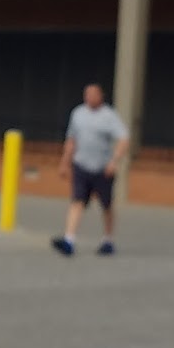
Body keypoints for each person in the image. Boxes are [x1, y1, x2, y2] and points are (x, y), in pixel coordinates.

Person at [52, 83, 129, 257]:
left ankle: (108, 240)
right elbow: (71, 139)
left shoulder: (109, 116)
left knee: (106, 205)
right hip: (81, 165)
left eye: (94, 94)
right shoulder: (78, 114)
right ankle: (69, 239)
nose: (90, 97)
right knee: (77, 201)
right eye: (87, 94)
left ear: (101, 96)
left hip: (102, 168)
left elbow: (123, 139)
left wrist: (114, 161)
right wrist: (65, 162)